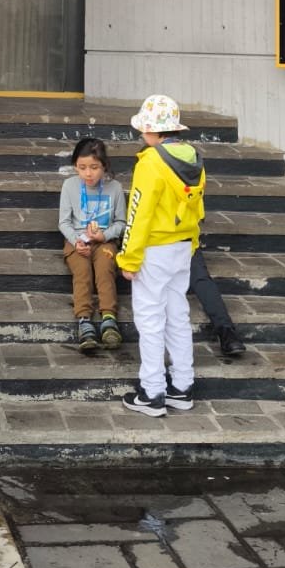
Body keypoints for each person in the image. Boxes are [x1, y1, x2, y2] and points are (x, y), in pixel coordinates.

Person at [116, 94, 205, 418]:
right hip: (182, 246)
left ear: (154, 130)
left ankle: (152, 392)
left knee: (150, 321)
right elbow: (196, 206)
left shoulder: (151, 162)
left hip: (154, 250)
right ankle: (182, 387)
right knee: (178, 316)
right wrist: (192, 242)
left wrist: (128, 259)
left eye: (144, 129)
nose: (141, 134)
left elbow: (138, 213)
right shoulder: (194, 158)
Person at [59, 137, 126, 353]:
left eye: (94, 167)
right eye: (82, 168)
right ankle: (84, 319)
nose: (88, 173)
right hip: (77, 241)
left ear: (104, 166)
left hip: (105, 241)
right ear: (75, 166)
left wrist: (104, 235)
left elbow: (121, 223)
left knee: (105, 268)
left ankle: (109, 318)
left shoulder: (115, 188)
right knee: (82, 272)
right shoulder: (70, 186)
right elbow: (64, 222)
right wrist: (76, 241)